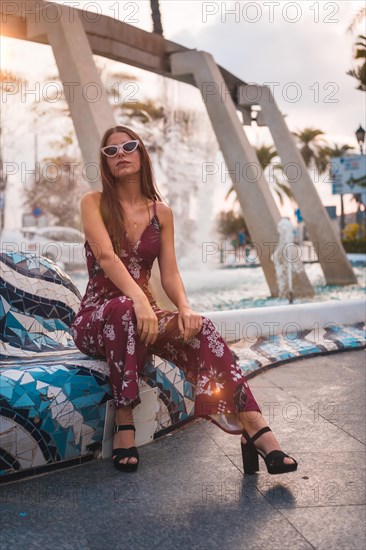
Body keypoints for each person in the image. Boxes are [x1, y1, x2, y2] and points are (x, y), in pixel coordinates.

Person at [71, 125, 298, 475]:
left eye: (128, 147)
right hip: (97, 319)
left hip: (143, 315)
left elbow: (170, 274)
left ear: (141, 153)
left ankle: (254, 426)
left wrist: (185, 308)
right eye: (110, 152)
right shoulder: (94, 203)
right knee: (122, 309)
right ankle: (124, 418)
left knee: (201, 329)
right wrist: (140, 301)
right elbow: (105, 258)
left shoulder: (161, 213)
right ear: (104, 163)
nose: (120, 155)